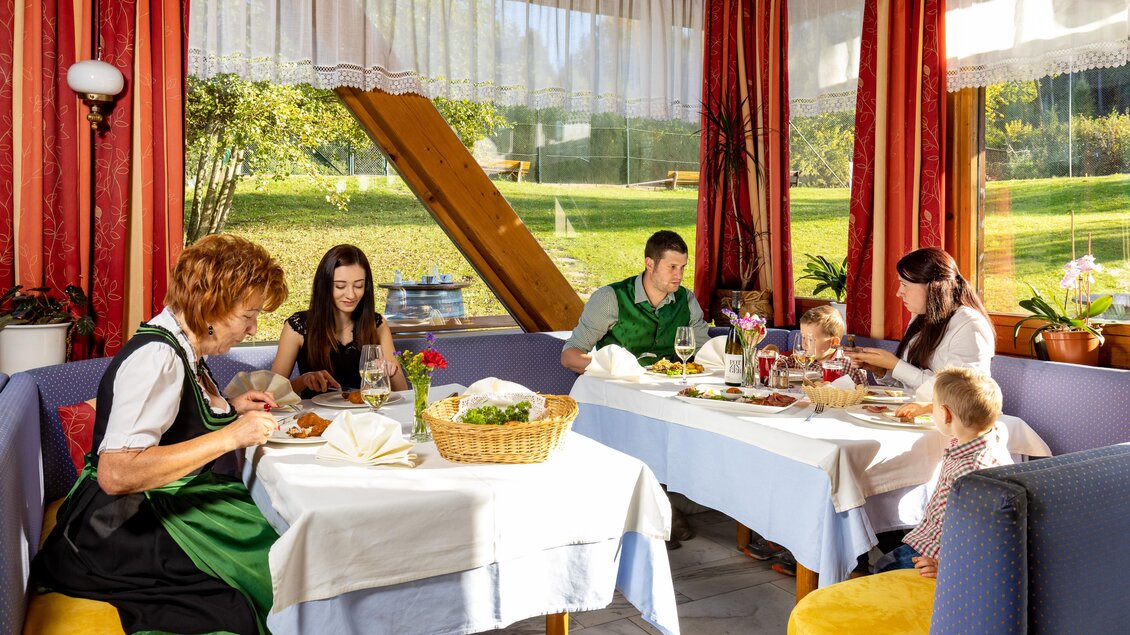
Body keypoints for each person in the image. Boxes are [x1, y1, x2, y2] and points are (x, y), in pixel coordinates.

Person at [32, 234, 289, 634]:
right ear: (212, 305)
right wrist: (232, 435)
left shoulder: (182, 344)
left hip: (149, 507)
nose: (254, 329)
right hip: (118, 527)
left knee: (273, 542)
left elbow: (171, 423)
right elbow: (116, 474)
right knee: (247, 588)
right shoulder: (157, 358)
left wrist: (231, 409)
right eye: (249, 315)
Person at [873, 366, 1012, 577]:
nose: (932, 408)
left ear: (946, 414)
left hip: (936, 555)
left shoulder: (970, 474)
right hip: (930, 540)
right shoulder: (990, 435)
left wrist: (947, 566)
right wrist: (930, 407)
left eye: (934, 405)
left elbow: (979, 533)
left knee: (882, 568)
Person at [849, 247, 993, 406]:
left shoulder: (970, 325)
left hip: (958, 424)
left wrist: (896, 365)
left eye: (904, 284)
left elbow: (961, 394)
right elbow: (911, 389)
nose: (898, 293)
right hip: (921, 415)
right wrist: (882, 369)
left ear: (934, 286)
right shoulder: (920, 319)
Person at [560, 230, 711, 373]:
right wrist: (614, 370)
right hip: (614, 391)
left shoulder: (686, 300)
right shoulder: (609, 298)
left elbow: (706, 353)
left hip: (664, 391)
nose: (679, 275)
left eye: (682, 267)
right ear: (650, 264)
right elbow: (570, 356)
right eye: (672, 267)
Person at [272, 244, 406, 397]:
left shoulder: (376, 324)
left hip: (367, 417)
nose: (351, 295)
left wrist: (391, 372)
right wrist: (303, 380)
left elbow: (402, 391)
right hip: (316, 418)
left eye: (358, 285)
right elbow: (273, 393)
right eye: (340, 286)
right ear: (324, 286)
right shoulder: (297, 326)